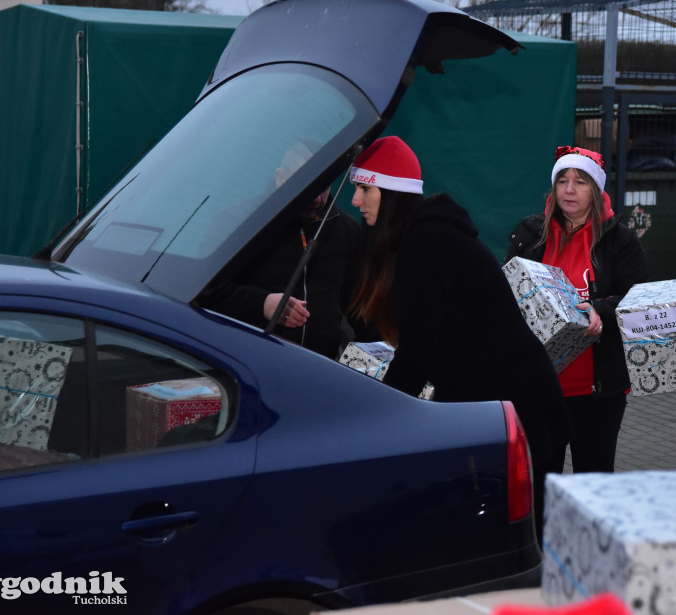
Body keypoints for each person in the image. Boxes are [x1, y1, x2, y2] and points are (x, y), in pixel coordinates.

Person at [348, 135, 570, 536]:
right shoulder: (421, 237)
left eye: (364, 189)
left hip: (520, 417)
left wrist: (376, 416)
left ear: (391, 192)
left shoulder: (425, 242)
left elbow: (417, 353)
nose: (355, 200)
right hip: (510, 411)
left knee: (518, 548)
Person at [505, 146, 648, 473]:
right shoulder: (531, 235)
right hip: (539, 387)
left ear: (597, 190)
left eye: (580, 182)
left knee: (593, 482)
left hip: (597, 391)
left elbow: (635, 297)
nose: (569, 190)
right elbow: (509, 290)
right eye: (562, 181)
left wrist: (601, 309)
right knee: (538, 482)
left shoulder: (620, 241)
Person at [202, 140, 367, 360]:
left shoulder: (348, 230)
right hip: (247, 362)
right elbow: (206, 292)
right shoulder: (239, 222)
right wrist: (262, 303)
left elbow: (358, 308)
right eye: (307, 185)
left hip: (320, 370)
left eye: (325, 185)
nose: (317, 198)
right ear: (280, 178)